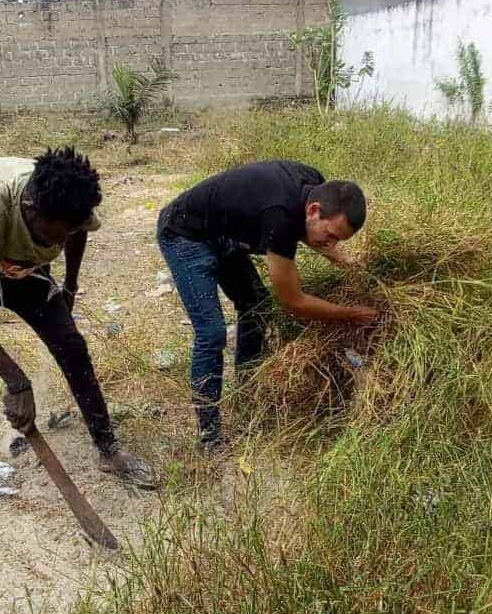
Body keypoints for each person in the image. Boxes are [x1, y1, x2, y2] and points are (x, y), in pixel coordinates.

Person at [0, 148, 155, 564]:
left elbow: (78, 231)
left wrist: (70, 286)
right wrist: (16, 381)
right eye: (51, 234)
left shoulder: (70, 204)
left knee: (73, 348)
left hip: (23, 272)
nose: (58, 242)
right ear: (29, 207)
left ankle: (108, 450)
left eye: (64, 235)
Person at [156, 160, 378, 453]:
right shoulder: (281, 217)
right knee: (211, 333)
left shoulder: (314, 185)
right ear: (313, 210)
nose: (331, 243)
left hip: (223, 232)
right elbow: (293, 301)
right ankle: (209, 437)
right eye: (332, 236)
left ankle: (246, 391)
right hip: (183, 233)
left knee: (256, 306)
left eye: (339, 240)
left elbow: (307, 232)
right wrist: (350, 315)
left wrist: (343, 260)